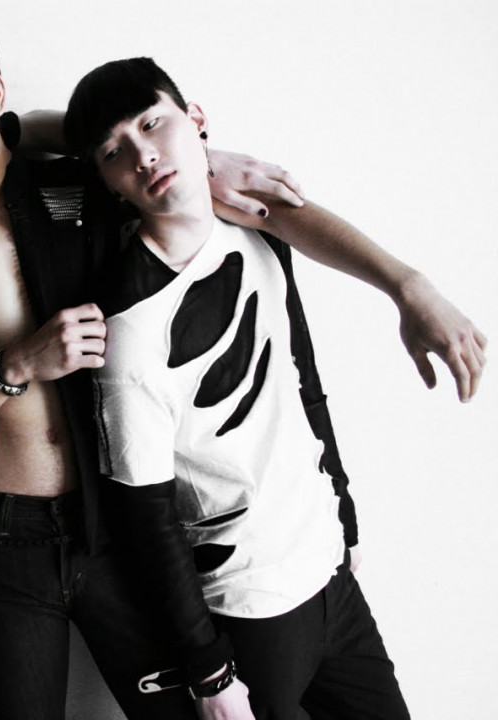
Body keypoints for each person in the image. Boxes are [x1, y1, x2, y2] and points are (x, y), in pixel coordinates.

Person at [0, 9, 485, 720]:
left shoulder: (88, 188)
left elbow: (269, 209)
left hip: (115, 533)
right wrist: (14, 368)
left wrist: (404, 284)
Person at [64, 56, 431, 718]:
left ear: (196, 119)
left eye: (152, 124)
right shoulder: (130, 327)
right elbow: (145, 514)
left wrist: (343, 514)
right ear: (108, 181)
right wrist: (208, 669)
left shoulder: (256, 233)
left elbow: (303, 381)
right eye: (115, 151)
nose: (144, 156)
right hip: (250, 607)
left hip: (329, 571)